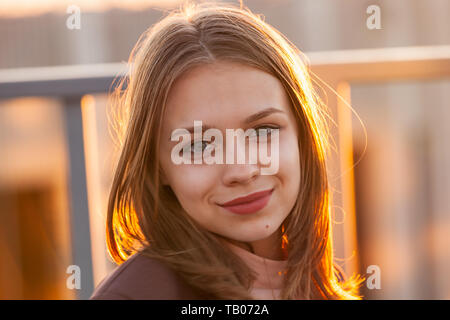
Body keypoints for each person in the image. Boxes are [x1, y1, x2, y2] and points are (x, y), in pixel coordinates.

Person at [90, 1, 363, 300]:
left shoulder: (315, 280)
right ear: (158, 168)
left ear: (302, 136)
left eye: (263, 131)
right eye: (198, 145)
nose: (242, 171)